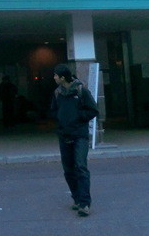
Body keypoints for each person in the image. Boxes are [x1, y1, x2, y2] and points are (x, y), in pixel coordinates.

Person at [50, 64, 99, 218]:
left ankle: (85, 203)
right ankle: (77, 198)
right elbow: (53, 110)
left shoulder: (80, 90)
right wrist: (60, 122)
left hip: (79, 135)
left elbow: (93, 110)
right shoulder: (57, 93)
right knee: (68, 170)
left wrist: (78, 117)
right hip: (64, 135)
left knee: (81, 167)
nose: (54, 77)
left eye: (56, 75)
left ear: (62, 77)